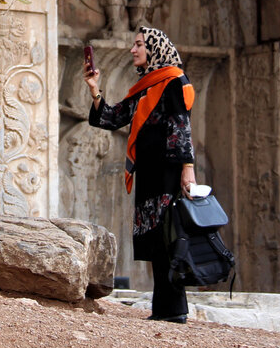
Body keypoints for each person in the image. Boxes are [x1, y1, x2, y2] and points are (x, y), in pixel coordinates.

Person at [83, 26, 197, 323]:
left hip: (168, 173)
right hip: (148, 174)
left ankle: (174, 310)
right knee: (156, 240)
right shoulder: (146, 86)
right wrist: (95, 88)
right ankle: (164, 309)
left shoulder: (173, 81)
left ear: (154, 49)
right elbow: (113, 117)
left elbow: (182, 128)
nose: (133, 50)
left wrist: (188, 170)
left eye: (138, 45)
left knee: (170, 239)